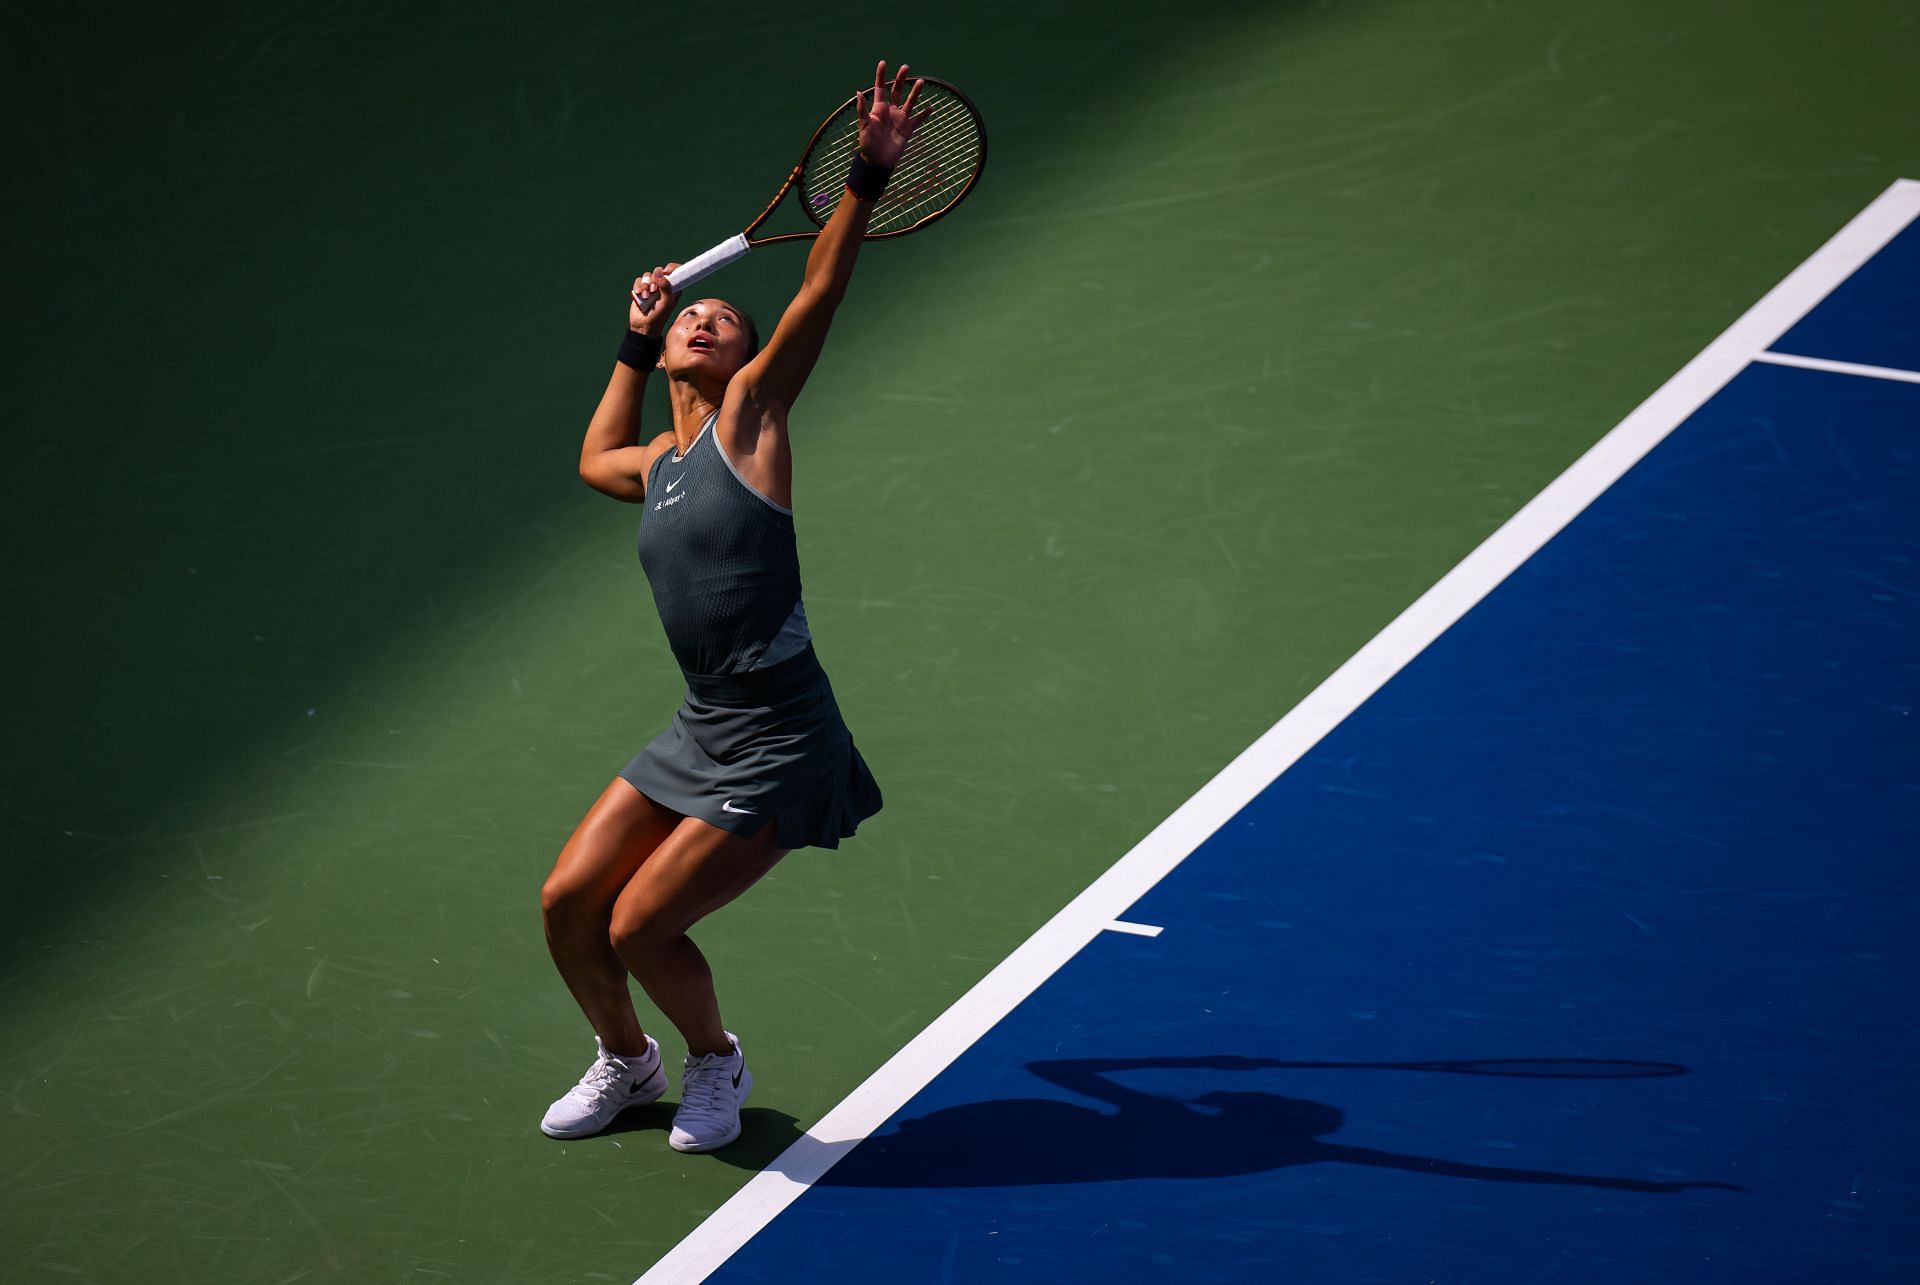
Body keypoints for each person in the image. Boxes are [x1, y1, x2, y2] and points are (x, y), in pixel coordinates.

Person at [537, 60, 930, 1154]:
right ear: (669, 350)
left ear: (748, 357)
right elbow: (591, 457)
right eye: (692, 318)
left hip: (782, 732)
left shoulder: (749, 421)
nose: (707, 321)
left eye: (724, 320)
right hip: (704, 717)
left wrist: (868, 171)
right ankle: (628, 1060)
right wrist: (631, 330)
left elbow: (820, 294)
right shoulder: (656, 462)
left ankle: (716, 1062)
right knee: (569, 904)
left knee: (642, 922)